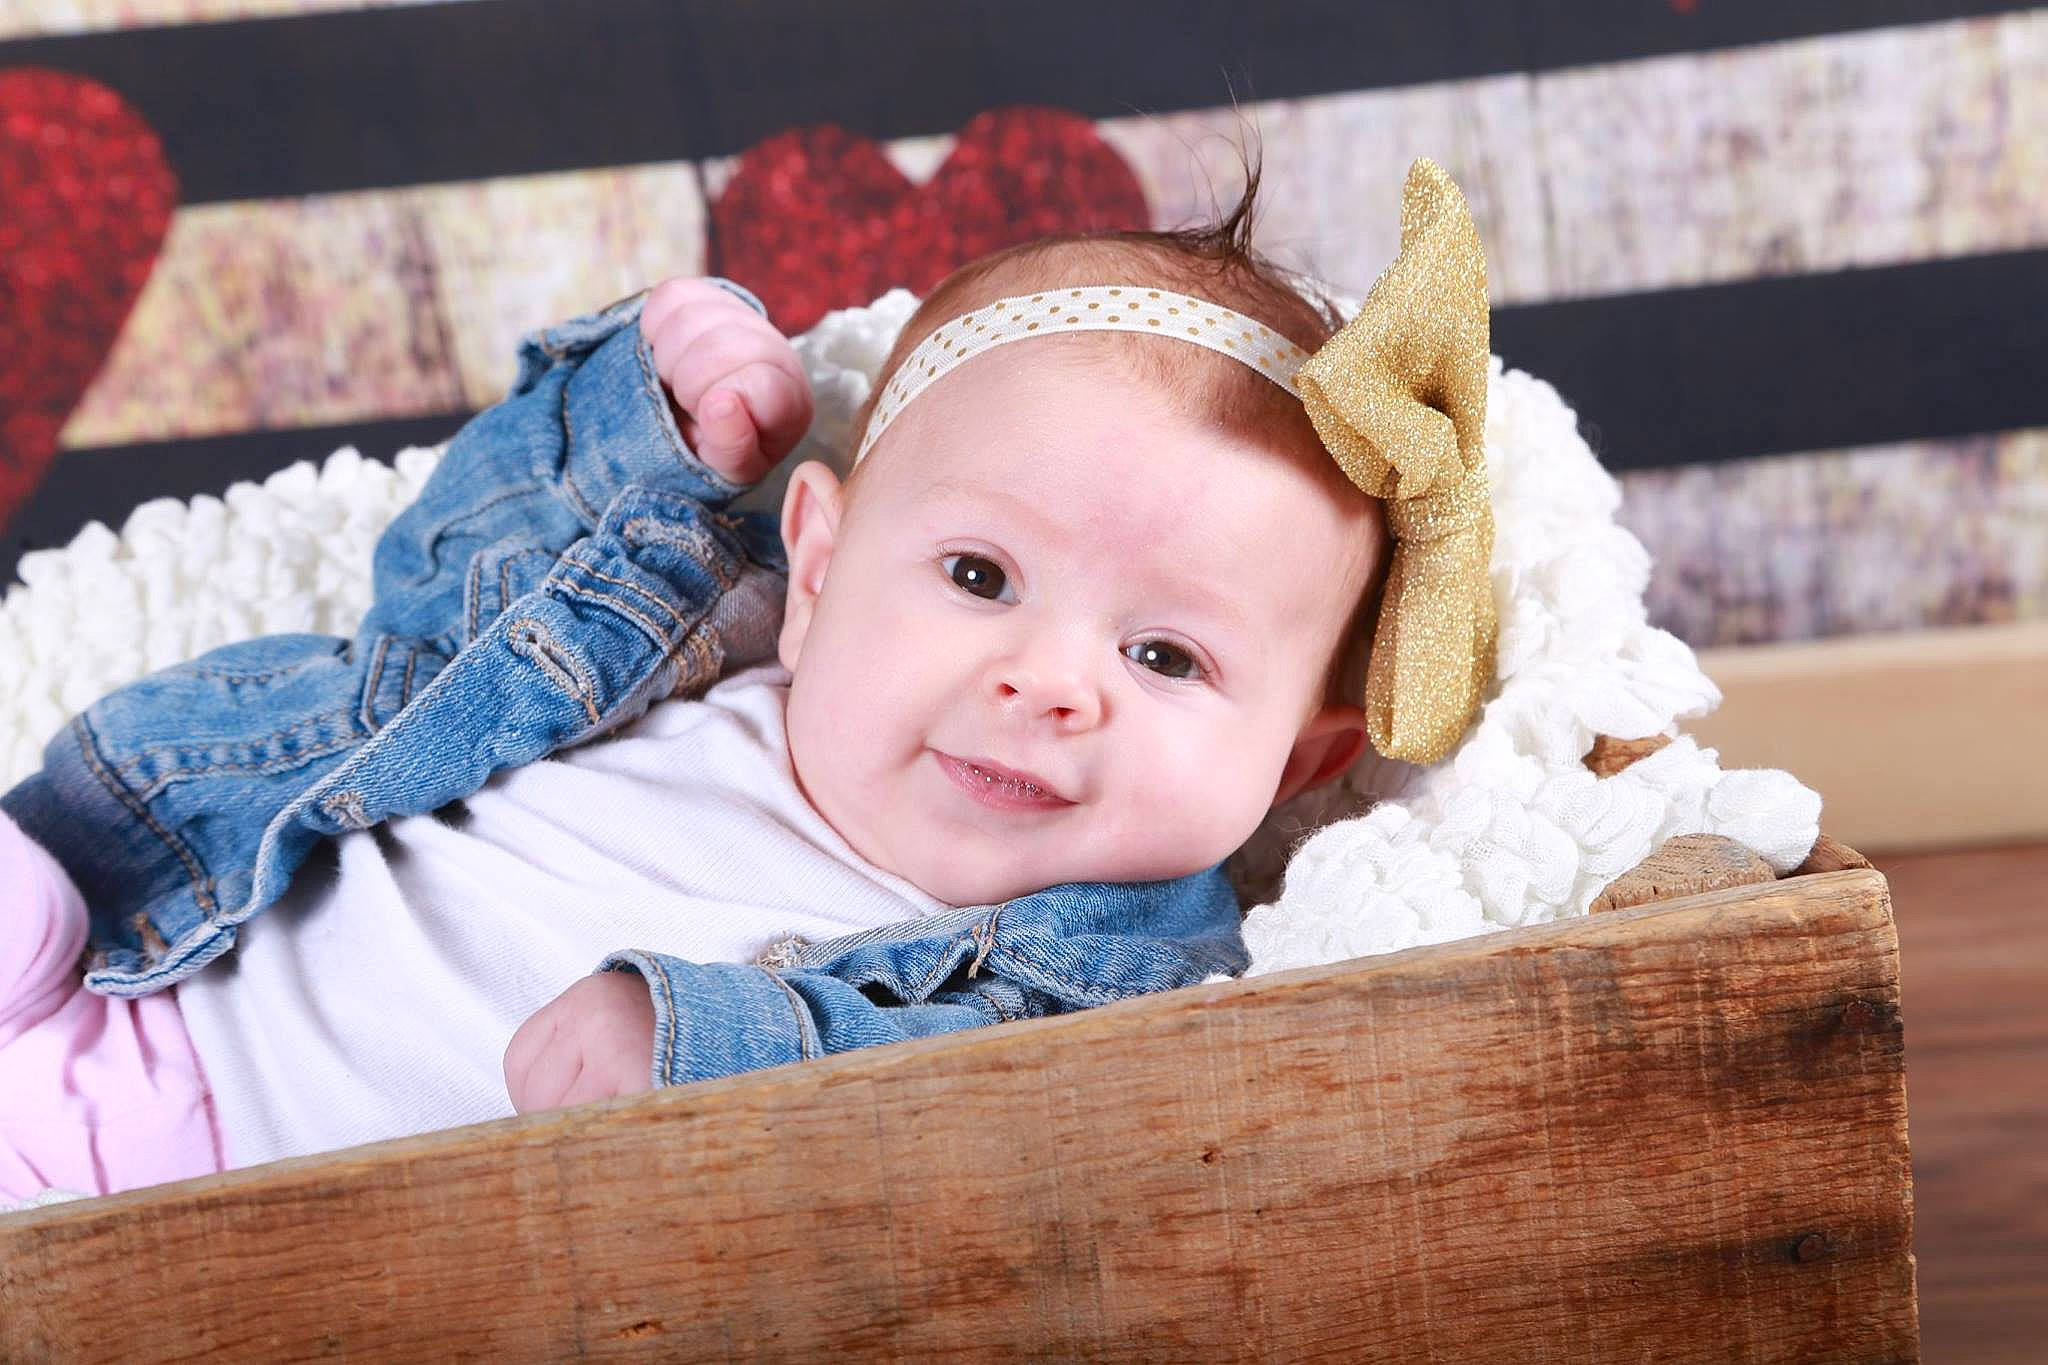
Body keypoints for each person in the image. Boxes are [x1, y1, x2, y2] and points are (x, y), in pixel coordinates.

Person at [3, 159, 1493, 1202]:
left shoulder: (1104, 980)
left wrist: (698, 1054)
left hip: (272, 1250)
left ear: (1299, 763)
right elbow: (444, 589)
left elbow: (970, 1152)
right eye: (979, 577)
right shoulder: (664, 631)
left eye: (1166, 655)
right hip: (133, 1001)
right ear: (821, 560)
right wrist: (643, 406)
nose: (1049, 683)